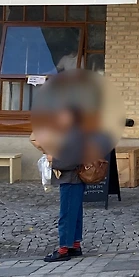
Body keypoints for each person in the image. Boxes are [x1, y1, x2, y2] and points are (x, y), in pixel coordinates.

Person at [43, 106, 109, 262]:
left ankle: (64, 249)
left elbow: (73, 159)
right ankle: (74, 245)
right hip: (75, 179)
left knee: (67, 214)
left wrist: (53, 159)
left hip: (72, 178)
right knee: (75, 213)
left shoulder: (74, 134)